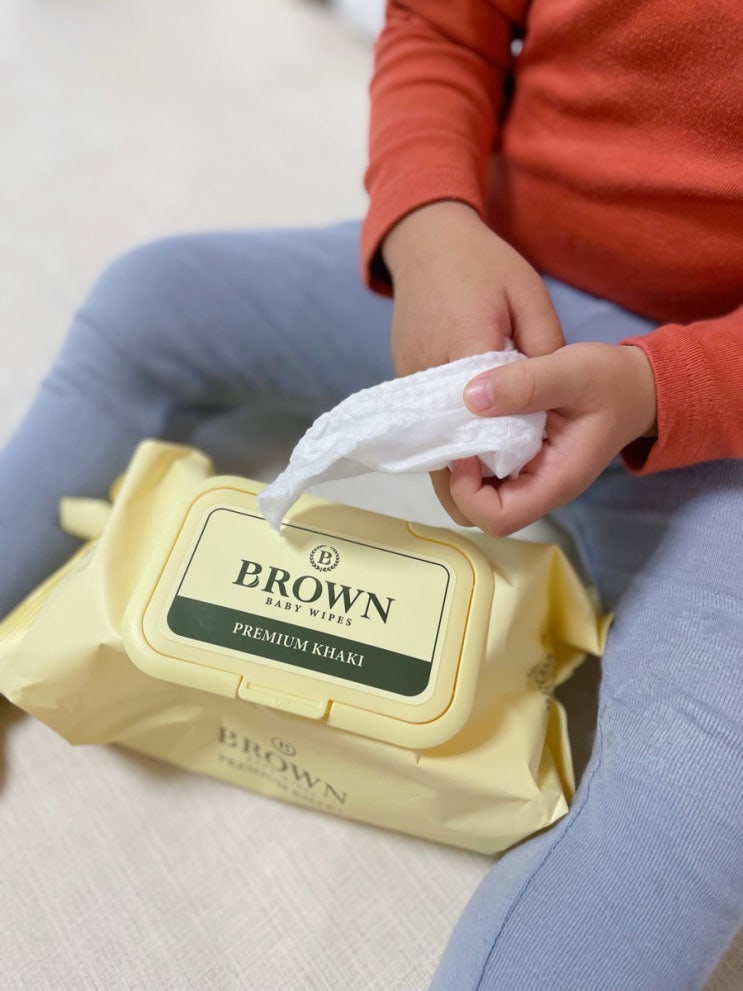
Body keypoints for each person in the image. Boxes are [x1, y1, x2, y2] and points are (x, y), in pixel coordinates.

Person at [0, 1, 740, 988]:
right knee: (149, 298)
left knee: (709, 773)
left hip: (711, 405)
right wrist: (427, 224)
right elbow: (438, 27)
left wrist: (662, 389)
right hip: (490, 273)